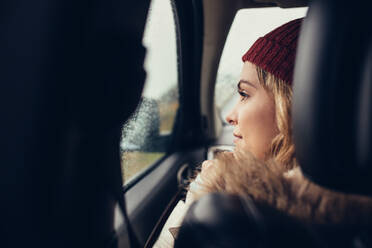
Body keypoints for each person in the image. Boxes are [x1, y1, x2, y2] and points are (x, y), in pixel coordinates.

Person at [153, 17, 372, 247]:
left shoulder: (245, 219)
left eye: (245, 94)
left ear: (295, 107)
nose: (230, 115)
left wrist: (202, 202)